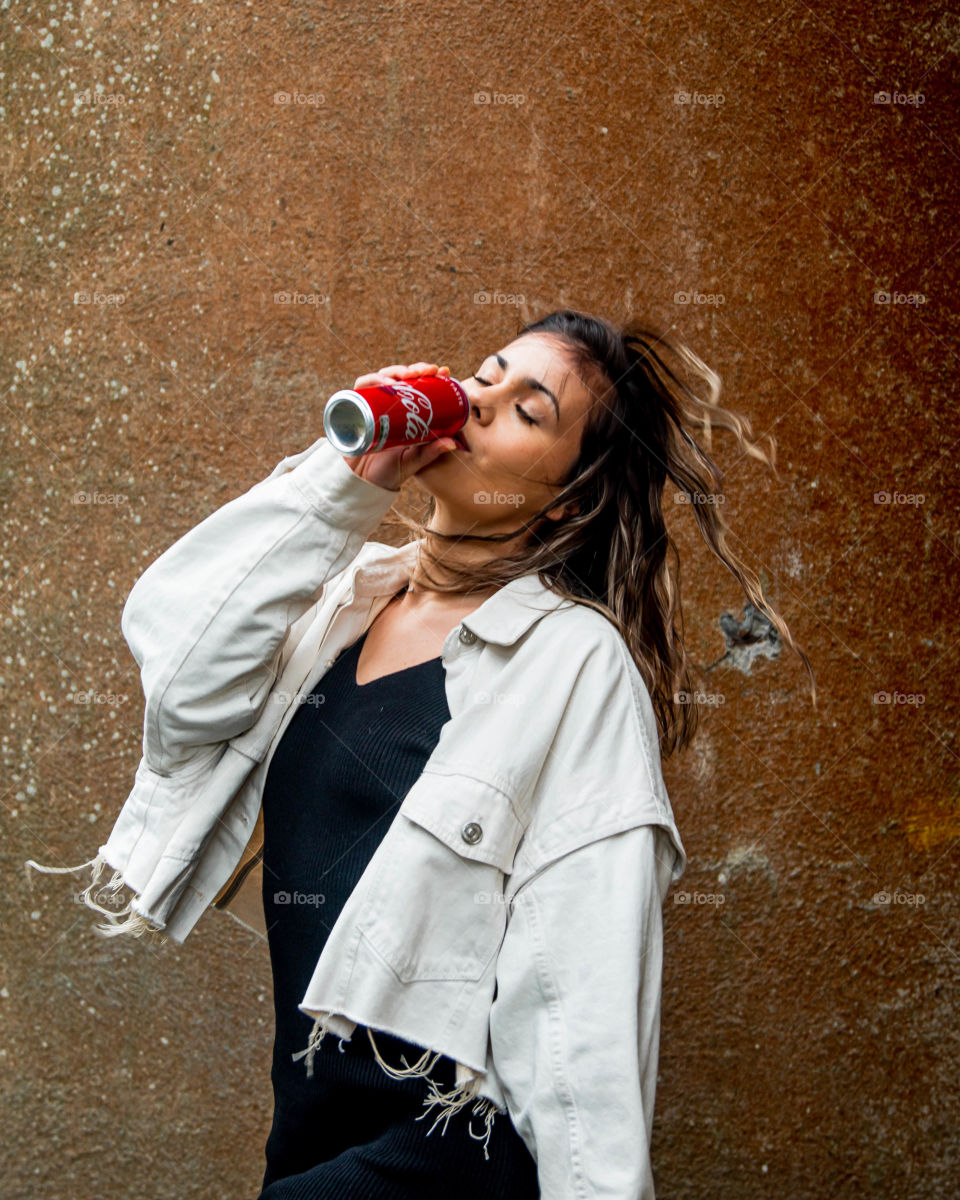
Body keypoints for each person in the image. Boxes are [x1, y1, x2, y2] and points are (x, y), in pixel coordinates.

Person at [25, 308, 813, 1198]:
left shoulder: (572, 663)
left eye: (529, 408)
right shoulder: (340, 606)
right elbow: (182, 684)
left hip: (447, 1156)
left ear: (568, 497)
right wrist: (340, 484)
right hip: (309, 1146)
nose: (477, 401)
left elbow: (581, 990)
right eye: (485, 372)